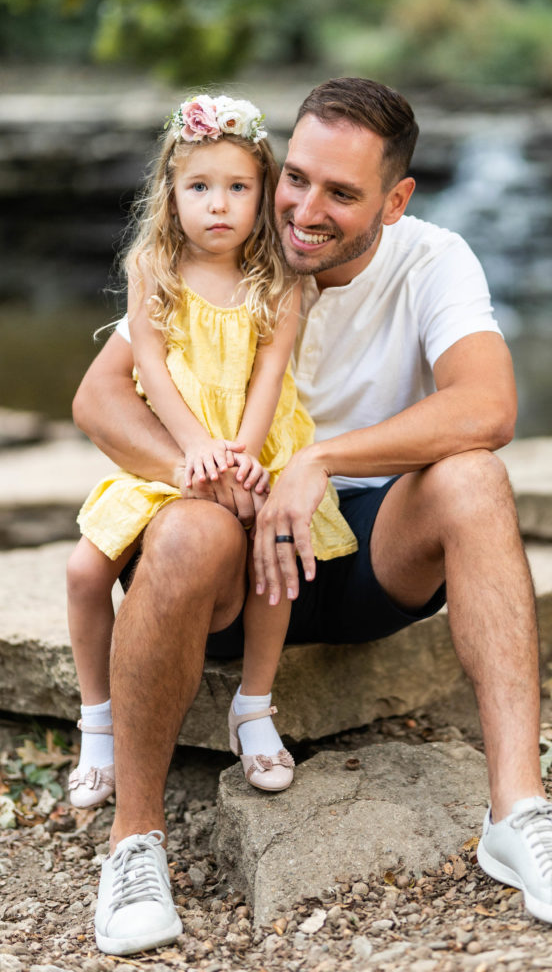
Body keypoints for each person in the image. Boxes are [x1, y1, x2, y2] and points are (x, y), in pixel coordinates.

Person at [73, 77, 552, 956]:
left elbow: (488, 407)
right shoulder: (220, 251)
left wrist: (317, 461)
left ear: (395, 200)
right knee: (182, 529)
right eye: (293, 177)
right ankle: (133, 845)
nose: (302, 210)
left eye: (340, 193)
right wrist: (203, 474)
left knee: (472, 477)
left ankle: (520, 816)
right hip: (223, 559)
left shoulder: (434, 259)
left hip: (362, 553)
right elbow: (98, 403)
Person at [66, 93, 357, 821]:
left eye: (237, 188)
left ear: (263, 195)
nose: (218, 205)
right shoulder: (153, 269)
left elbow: (269, 378)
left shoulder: (277, 283)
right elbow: (154, 374)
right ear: (170, 191)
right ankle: (96, 722)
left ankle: (253, 706)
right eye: (199, 187)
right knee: (81, 570)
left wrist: (249, 459)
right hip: (179, 452)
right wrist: (194, 451)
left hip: (254, 449)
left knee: (274, 553)